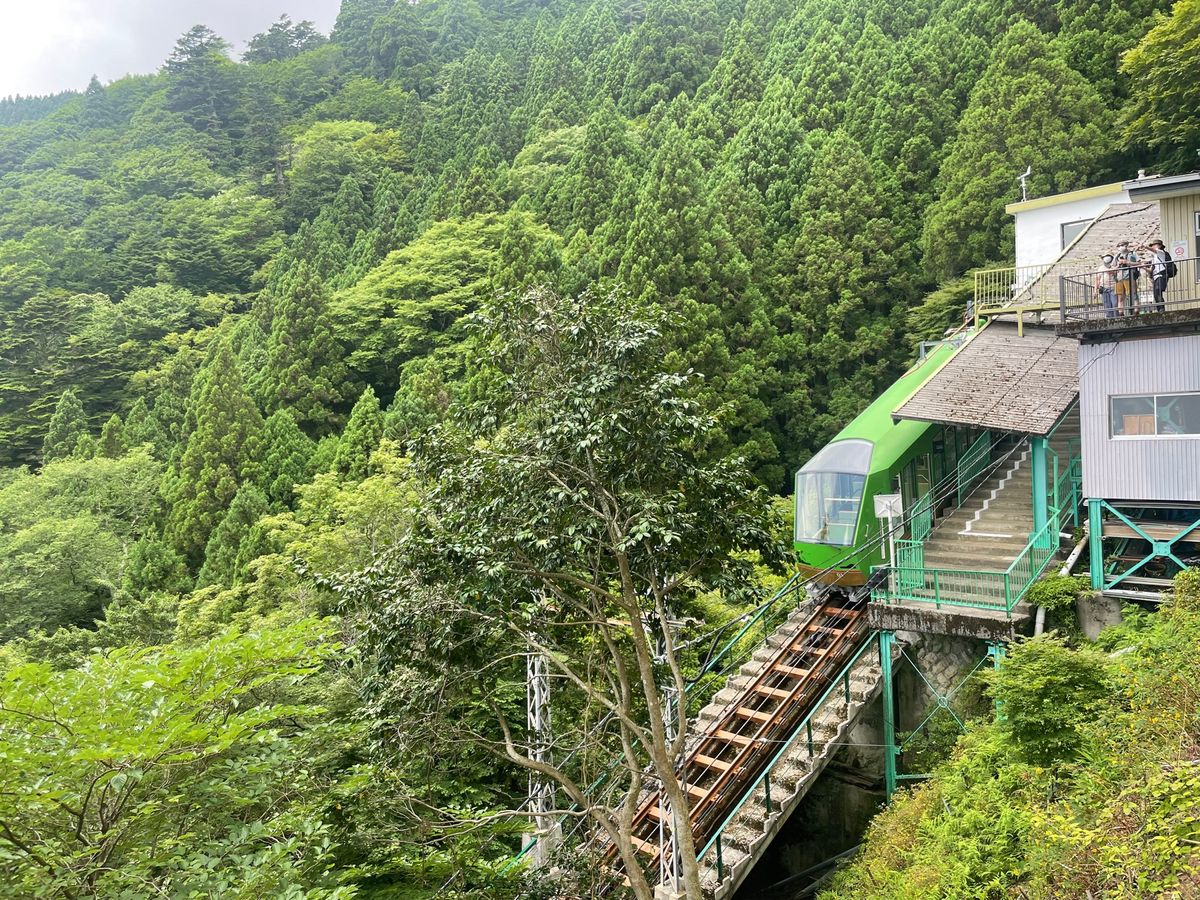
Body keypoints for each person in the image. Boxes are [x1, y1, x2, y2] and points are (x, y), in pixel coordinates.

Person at [1113, 241, 1140, 316]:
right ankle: (1121, 313)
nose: (1121, 247)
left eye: (1122, 245)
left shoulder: (1132, 254)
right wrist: (1118, 265)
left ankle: (1136, 310)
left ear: (1126, 245)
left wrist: (1128, 262)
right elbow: (1113, 267)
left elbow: (1139, 263)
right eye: (1119, 246)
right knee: (1120, 296)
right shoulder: (1117, 256)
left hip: (1129, 276)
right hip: (1119, 278)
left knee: (1133, 294)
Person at [1148, 240, 1171, 313]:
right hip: (1156, 277)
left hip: (1161, 275)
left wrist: (1144, 247)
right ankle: (1159, 309)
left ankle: (1161, 309)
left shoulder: (1161, 252)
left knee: (1158, 292)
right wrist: (1142, 266)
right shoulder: (1154, 257)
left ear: (1159, 245)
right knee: (1156, 294)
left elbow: (1154, 250)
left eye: (1154, 245)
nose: (1153, 246)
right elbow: (1150, 270)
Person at [1093, 253, 1117, 318]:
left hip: (1113, 287)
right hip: (1104, 288)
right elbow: (1097, 279)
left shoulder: (1114, 266)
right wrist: (1095, 290)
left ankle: (1116, 317)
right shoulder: (1101, 268)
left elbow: (1116, 273)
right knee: (1107, 304)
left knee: (1115, 303)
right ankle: (1109, 318)